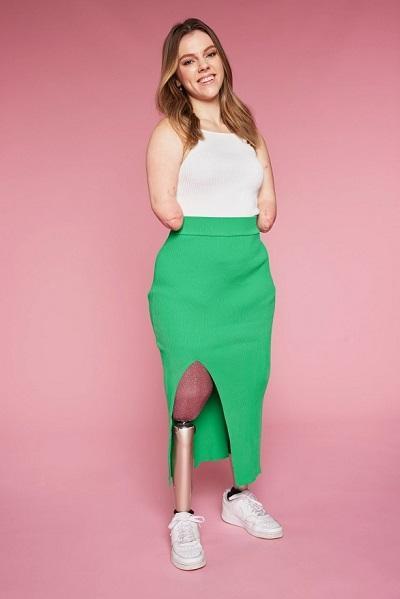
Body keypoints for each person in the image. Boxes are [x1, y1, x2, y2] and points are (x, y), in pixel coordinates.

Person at [146, 18, 283, 570]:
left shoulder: (247, 128)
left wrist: (251, 205)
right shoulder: (171, 131)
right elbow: (167, 208)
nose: (203, 66)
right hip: (191, 280)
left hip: (247, 277)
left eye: (209, 54)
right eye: (188, 60)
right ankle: (183, 515)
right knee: (190, 389)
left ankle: (238, 495)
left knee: (246, 385)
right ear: (175, 76)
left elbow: (268, 209)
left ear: (222, 60)